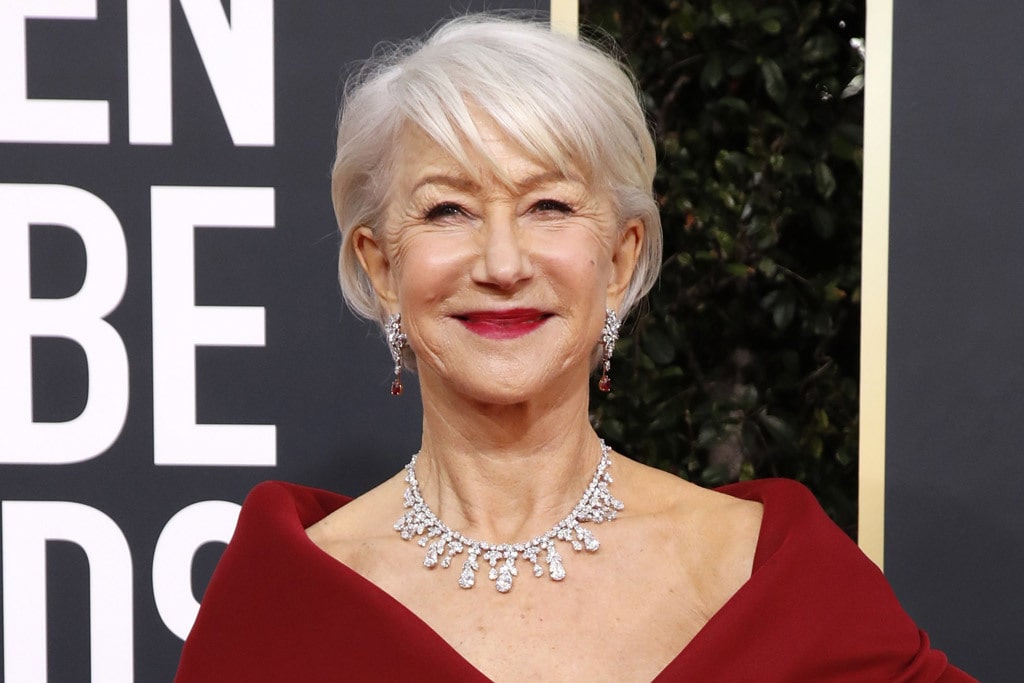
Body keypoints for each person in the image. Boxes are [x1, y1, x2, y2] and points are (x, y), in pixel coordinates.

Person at [175, 15, 975, 682]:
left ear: (620, 260)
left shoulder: (767, 576)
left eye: (549, 206)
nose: (502, 264)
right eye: (448, 210)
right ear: (382, 268)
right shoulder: (284, 602)